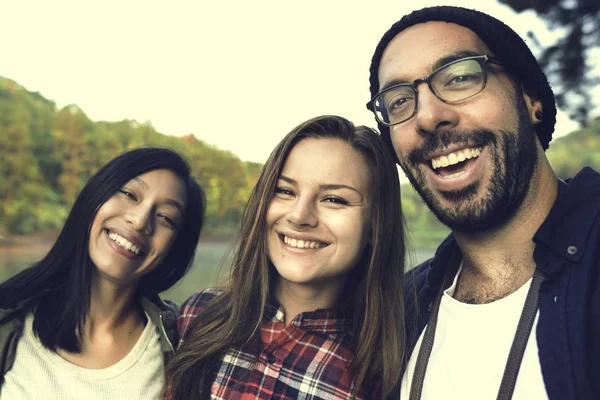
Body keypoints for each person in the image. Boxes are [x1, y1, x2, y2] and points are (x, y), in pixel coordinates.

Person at [366, 5, 600, 400]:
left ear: (529, 99)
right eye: (400, 101)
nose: (428, 116)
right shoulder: (401, 308)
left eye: (459, 77)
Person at [166, 115, 406, 399]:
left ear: (375, 225)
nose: (299, 216)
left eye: (334, 199)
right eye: (285, 191)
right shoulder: (196, 315)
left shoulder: (384, 375)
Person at [0, 148, 205, 399]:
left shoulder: (179, 345)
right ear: (95, 197)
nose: (140, 221)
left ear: (176, 246)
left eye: (165, 217)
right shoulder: (8, 316)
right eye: (130, 194)